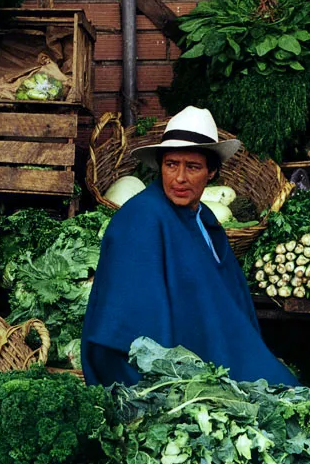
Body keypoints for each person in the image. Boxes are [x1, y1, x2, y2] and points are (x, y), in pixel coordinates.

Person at [81, 106, 298, 387]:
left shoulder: (203, 218)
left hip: (211, 352)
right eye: (171, 164)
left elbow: (223, 296)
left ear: (211, 173)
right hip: (156, 370)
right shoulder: (141, 218)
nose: (180, 178)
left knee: (282, 388)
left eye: (192, 167)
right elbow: (123, 322)